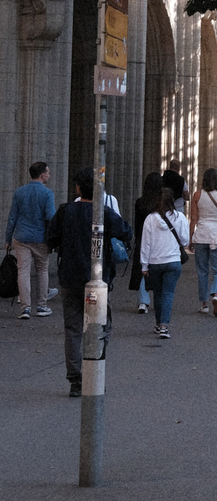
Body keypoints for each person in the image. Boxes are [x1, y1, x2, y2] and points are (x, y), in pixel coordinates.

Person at [47, 167, 133, 393]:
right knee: (100, 325)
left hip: (69, 277)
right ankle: (95, 372)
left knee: (73, 328)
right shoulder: (102, 212)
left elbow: (51, 237)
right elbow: (126, 231)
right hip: (97, 280)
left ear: (77, 188)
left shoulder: (65, 211)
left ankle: (75, 379)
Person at [5, 160, 56, 319]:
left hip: (21, 237)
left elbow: (12, 217)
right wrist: (54, 239)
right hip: (40, 238)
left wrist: (8, 239)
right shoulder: (47, 194)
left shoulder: (20, 192)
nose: (49, 174)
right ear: (42, 175)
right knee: (42, 270)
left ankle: (25, 308)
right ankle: (42, 306)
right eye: (47, 172)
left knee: (23, 272)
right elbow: (51, 218)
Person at [140, 186, 190, 339]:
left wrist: (144, 265)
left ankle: (157, 323)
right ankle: (164, 326)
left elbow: (145, 244)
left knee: (158, 293)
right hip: (173, 261)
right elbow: (185, 240)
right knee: (168, 293)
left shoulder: (150, 219)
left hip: (155, 261)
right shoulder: (180, 217)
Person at [190, 167, 217, 316]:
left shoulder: (197, 195)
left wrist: (191, 238)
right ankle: (216, 295)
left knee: (202, 271)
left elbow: (193, 219)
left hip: (201, 235)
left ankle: (204, 304)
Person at [129, 171, 165, 313]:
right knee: (158, 270)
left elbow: (137, 223)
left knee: (143, 269)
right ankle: (158, 299)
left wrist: (137, 238)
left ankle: (143, 302)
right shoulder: (162, 203)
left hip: (143, 239)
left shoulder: (140, 202)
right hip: (159, 240)